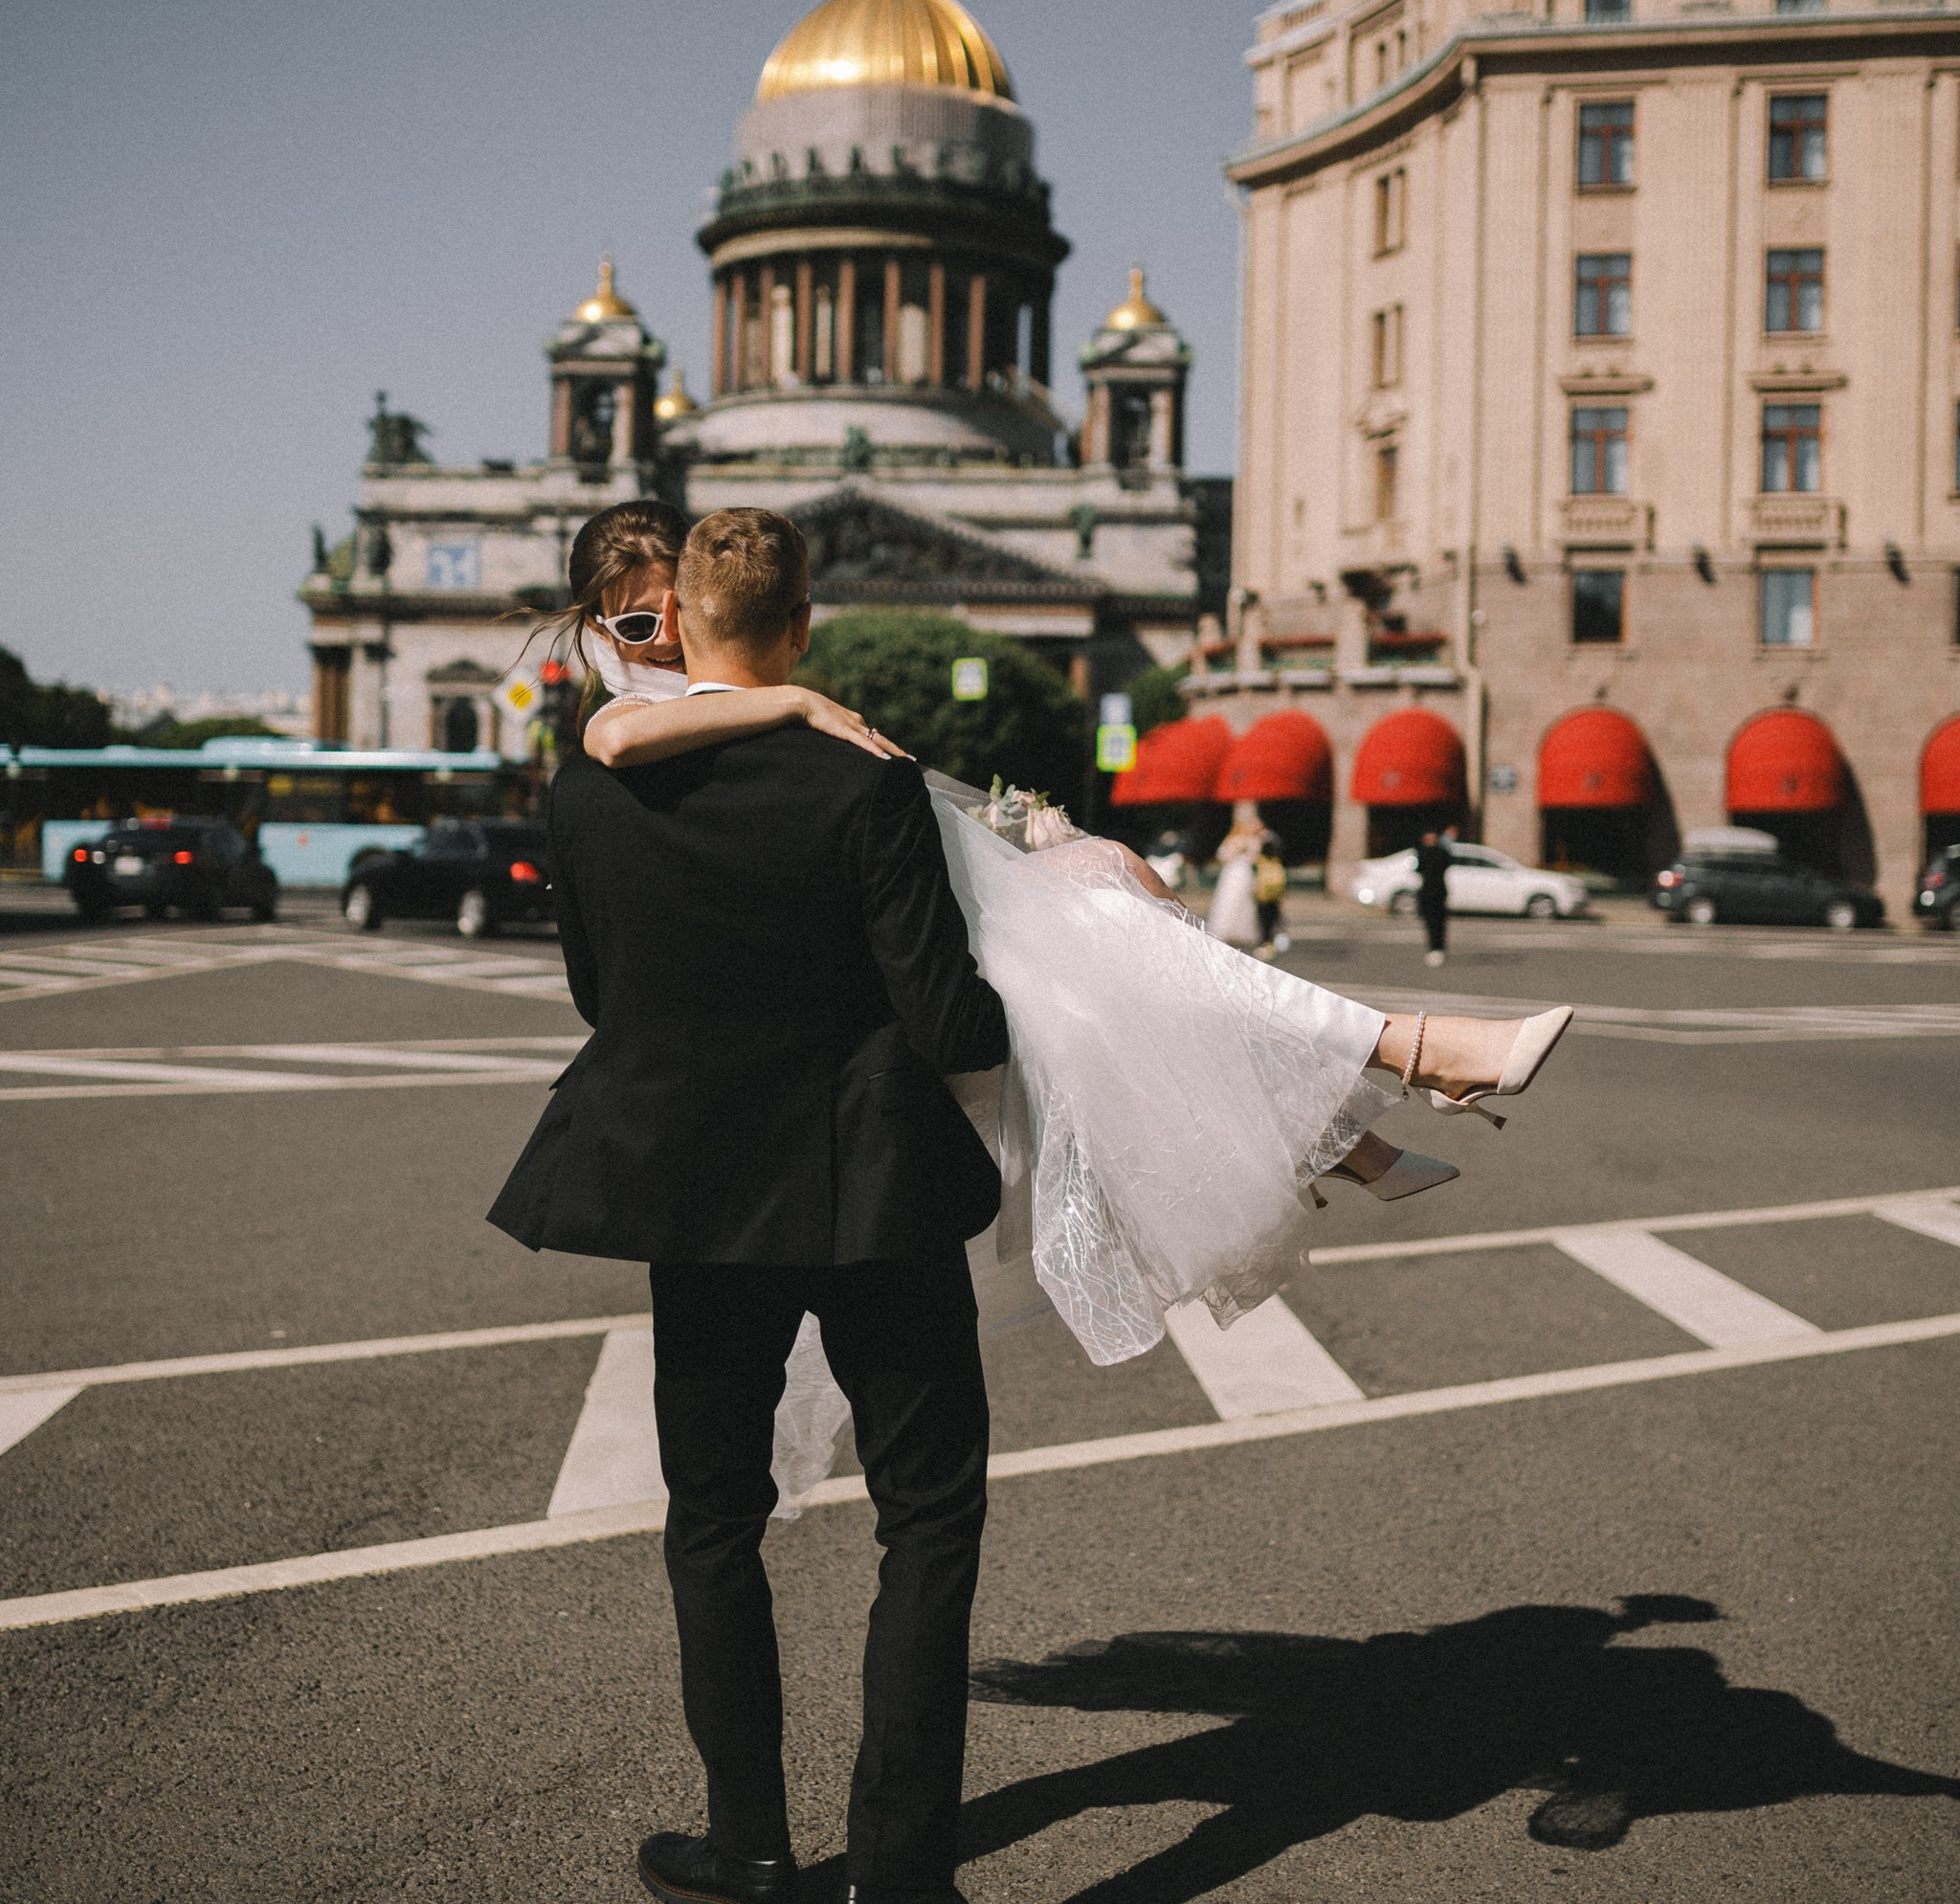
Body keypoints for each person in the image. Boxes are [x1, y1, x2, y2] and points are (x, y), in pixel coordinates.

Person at [563, 501, 1574, 1353]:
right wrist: (791, 699)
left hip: (848, 944)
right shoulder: (634, 723)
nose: (660, 641)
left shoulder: (735, 714)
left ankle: (1343, 1119)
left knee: (1113, 893)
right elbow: (614, 736)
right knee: (1100, 921)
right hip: (794, 1081)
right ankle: (1390, 1071)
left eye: (669, 616)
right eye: (637, 629)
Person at [490, 505, 1039, 1904]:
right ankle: (900, 1889)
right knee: (927, 1516)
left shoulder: (587, 791)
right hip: (873, 1196)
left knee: (713, 1519)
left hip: (699, 1196)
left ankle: (748, 1854)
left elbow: (602, 997)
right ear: (802, 627)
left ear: (680, 619)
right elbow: (949, 1026)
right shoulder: (865, 780)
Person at [1207, 802, 1268, 947]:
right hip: (1233, 872)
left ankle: (1243, 931)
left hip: (1245, 873)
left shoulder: (1254, 840)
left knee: (1245, 901)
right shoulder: (1232, 840)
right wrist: (1236, 848)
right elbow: (1222, 855)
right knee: (1229, 899)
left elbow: (1256, 856)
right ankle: (1225, 929)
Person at [1416, 824, 1453, 967]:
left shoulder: (1441, 852)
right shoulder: (1422, 852)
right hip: (1426, 892)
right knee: (1429, 922)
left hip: (1438, 892)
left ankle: (1439, 948)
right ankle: (1432, 948)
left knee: (1439, 922)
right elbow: (1419, 868)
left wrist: (1445, 842)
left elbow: (1447, 861)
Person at [1253, 833, 1290, 959]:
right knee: (1273, 923)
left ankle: (1266, 945)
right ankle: (1270, 945)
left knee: (1265, 924)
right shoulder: (1276, 863)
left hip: (1263, 898)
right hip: (1273, 898)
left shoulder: (1260, 862)